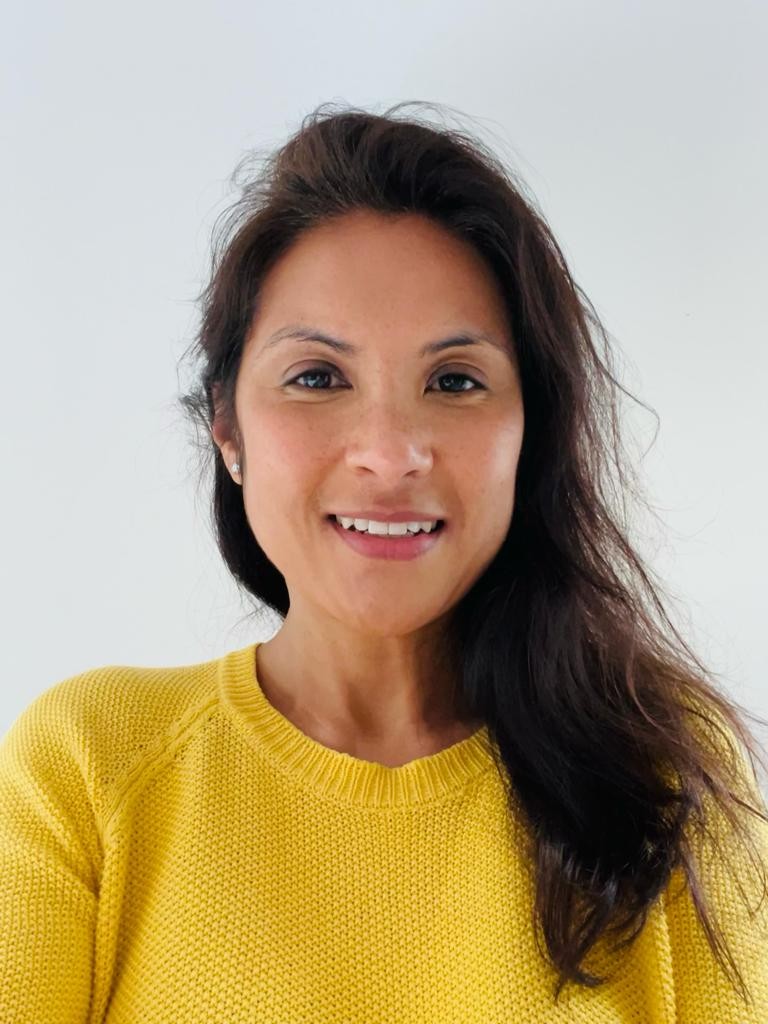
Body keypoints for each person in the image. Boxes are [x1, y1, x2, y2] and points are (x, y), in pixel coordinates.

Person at [2, 100, 767, 1023]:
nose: (390, 452)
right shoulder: (87, 767)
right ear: (228, 430)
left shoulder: (661, 772)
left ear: (531, 432)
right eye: (318, 378)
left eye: (455, 381)